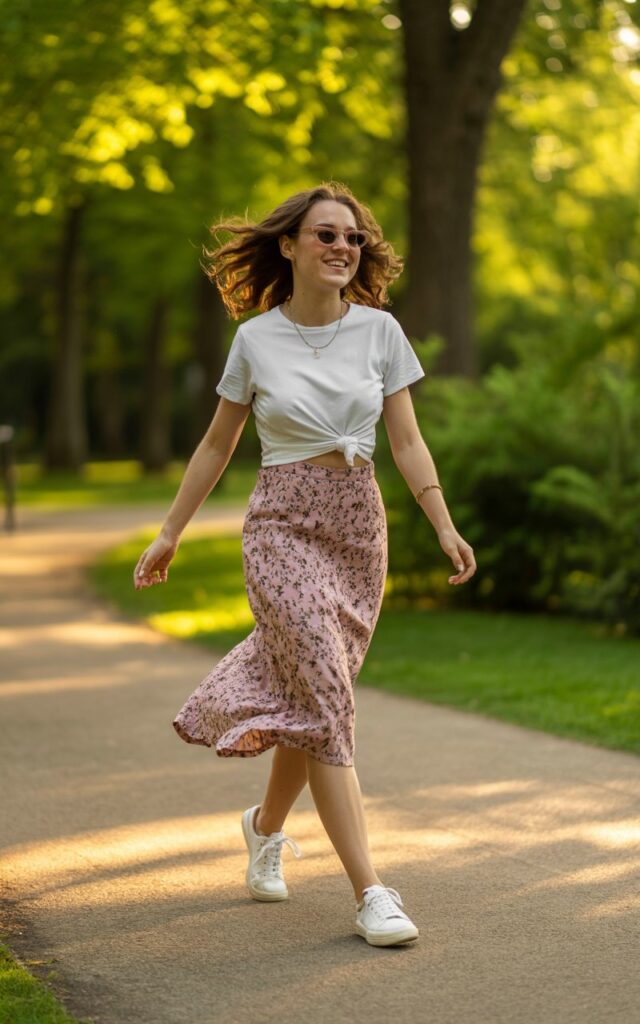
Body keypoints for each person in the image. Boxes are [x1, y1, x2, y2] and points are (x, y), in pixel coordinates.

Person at [133, 181, 476, 947]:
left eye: (352, 239)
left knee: (311, 696)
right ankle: (371, 892)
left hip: (358, 528)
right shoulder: (255, 341)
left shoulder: (381, 331)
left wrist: (443, 523)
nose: (342, 249)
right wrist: (169, 533)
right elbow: (217, 444)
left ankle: (264, 828)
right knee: (325, 690)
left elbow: (408, 441)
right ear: (288, 246)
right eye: (326, 235)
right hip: (282, 524)